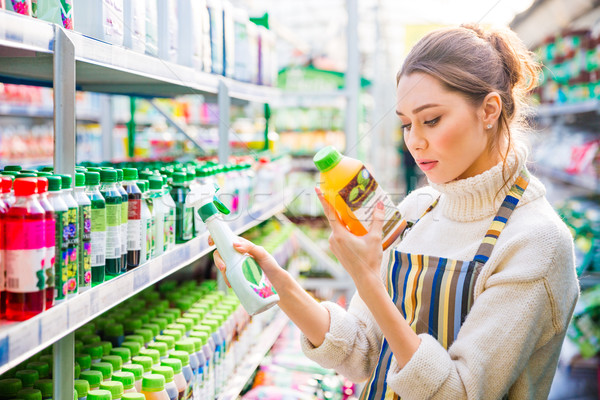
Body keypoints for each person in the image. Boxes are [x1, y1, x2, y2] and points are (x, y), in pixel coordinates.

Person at [212, 24, 580, 399]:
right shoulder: (418, 210)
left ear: (488, 110)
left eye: (431, 120)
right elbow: (363, 353)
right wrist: (280, 283)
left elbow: (461, 392)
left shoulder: (535, 241)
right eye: (406, 124)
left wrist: (367, 280)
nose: (415, 143)